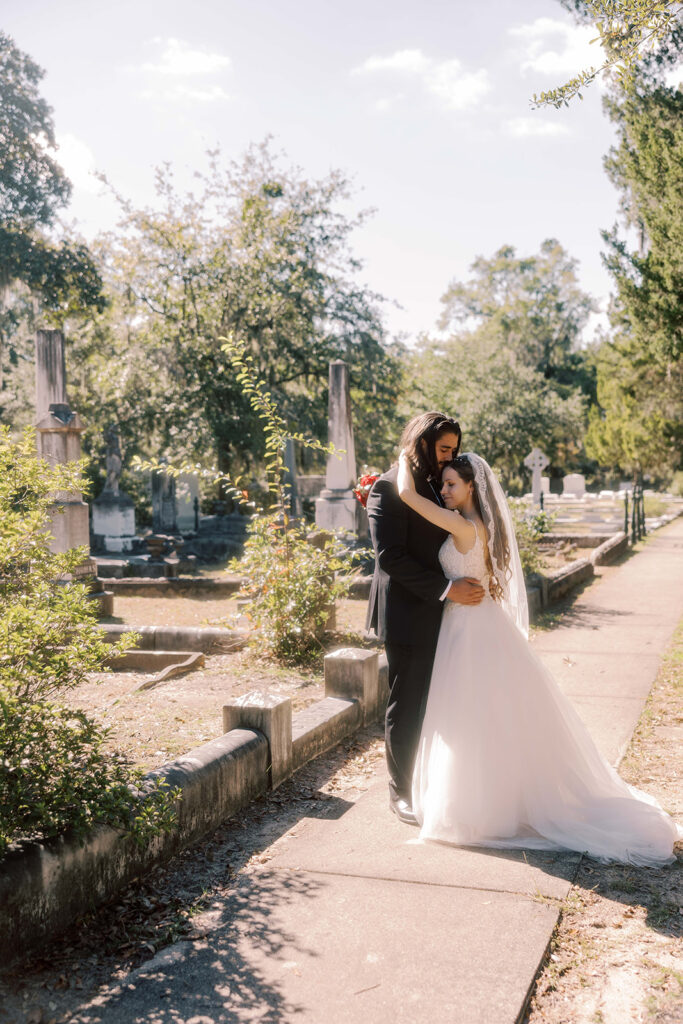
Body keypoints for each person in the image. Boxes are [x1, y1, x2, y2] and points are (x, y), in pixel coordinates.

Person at [396, 450, 681, 865]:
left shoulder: (462, 525)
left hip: (469, 629)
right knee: (489, 717)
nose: (443, 490)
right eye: (442, 484)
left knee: (472, 716)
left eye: (451, 483)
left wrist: (405, 458)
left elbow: (408, 496)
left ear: (472, 486)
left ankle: (478, 810)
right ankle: (494, 803)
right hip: (477, 622)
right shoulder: (481, 526)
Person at [366, 413, 485, 826]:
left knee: (439, 704)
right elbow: (389, 557)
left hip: (446, 618)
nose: (450, 456)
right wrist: (447, 589)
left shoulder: (438, 487)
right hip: (407, 614)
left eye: (453, 449)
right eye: (443, 449)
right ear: (422, 443)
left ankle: (431, 782)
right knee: (408, 704)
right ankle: (400, 793)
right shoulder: (387, 487)